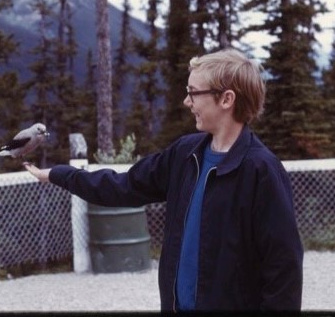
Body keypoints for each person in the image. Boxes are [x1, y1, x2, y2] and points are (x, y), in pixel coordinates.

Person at [24, 49, 303, 313]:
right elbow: (124, 187)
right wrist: (61, 175)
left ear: (226, 100)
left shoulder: (261, 170)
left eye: (193, 93)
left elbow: (284, 268)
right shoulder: (185, 154)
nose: (186, 102)